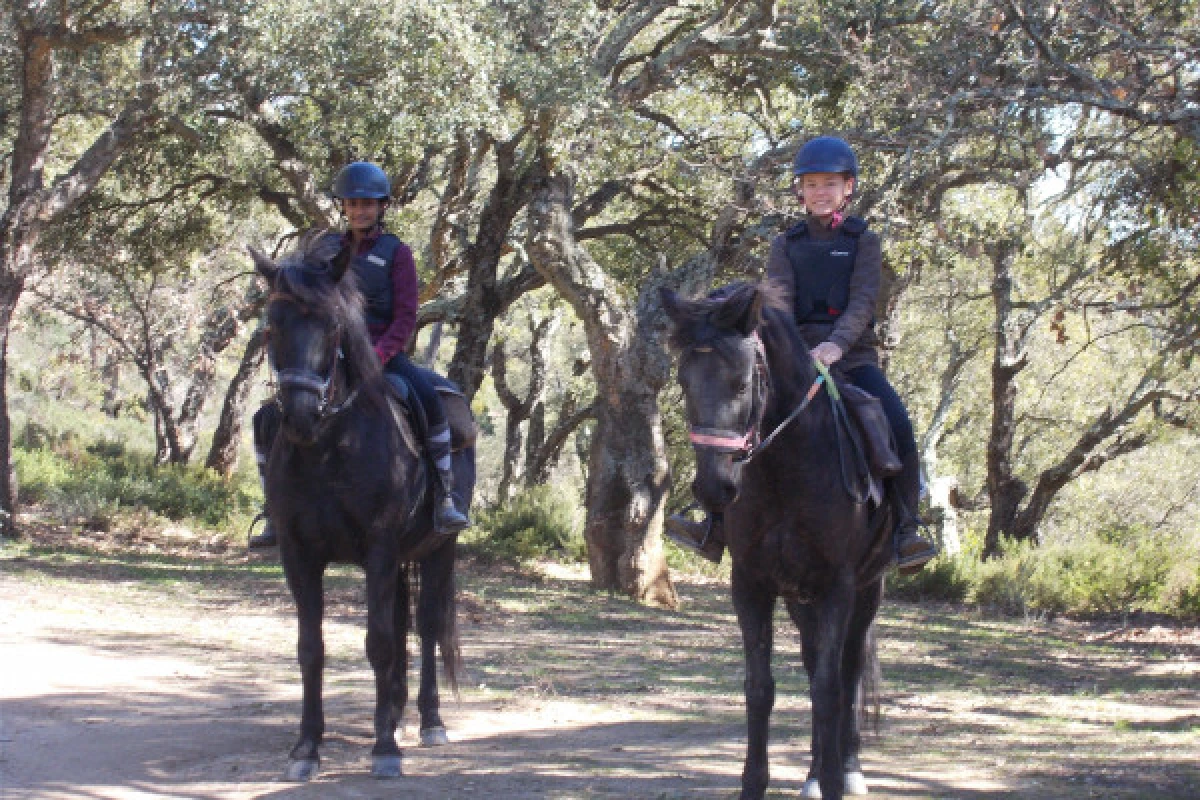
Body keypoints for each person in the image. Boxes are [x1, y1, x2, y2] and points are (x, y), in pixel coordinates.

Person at [665, 136, 938, 573]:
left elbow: (863, 301)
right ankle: (712, 521)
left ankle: (907, 528)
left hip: (852, 357)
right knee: (737, 417)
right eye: (811, 184)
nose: (820, 192)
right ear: (800, 190)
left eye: (830, 183)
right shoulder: (785, 243)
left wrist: (836, 344)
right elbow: (779, 302)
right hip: (793, 357)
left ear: (847, 188)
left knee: (897, 421)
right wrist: (793, 348)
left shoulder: (862, 240)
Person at [248, 161, 469, 547]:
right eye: (352, 204)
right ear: (343, 207)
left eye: (367, 204)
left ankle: (444, 497)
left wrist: (378, 356)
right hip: (331, 357)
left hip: (384, 355)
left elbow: (405, 316)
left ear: (382, 206)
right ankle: (273, 510)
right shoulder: (327, 249)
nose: (359, 211)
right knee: (267, 417)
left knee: (429, 399)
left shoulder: (396, 253)